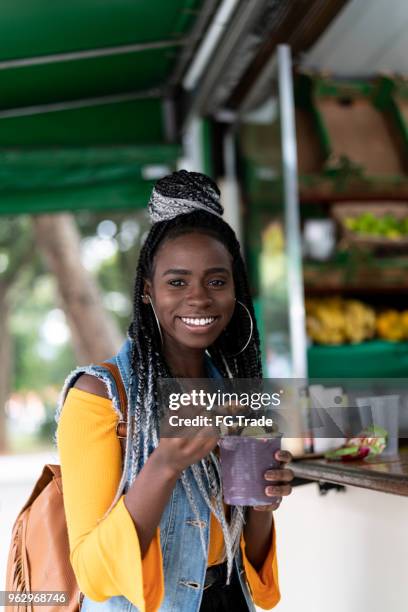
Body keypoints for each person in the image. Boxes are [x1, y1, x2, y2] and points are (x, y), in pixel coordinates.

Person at [56, 170, 294, 612]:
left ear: (235, 291)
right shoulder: (99, 397)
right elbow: (92, 574)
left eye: (217, 281)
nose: (199, 298)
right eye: (177, 282)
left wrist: (262, 501)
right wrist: (164, 464)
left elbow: (247, 559)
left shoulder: (237, 394)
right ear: (148, 292)